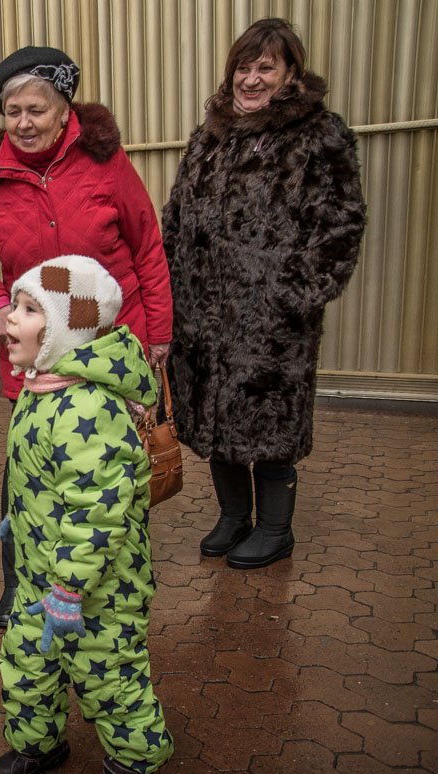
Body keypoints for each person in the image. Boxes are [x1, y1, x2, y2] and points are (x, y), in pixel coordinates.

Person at [0, 46, 173, 628]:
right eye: (11, 110)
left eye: (35, 109)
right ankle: (20, 583)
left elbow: (147, 247)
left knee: (112, 470)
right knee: (28, 470)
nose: (23, 123)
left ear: (63, 110)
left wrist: (158, 335)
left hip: (108, 349)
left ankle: (114, 586)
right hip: (34, 355)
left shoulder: (106, 163)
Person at [162, 18, 365, 569]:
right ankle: (233, 517)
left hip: (272, 320)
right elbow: (176, 215)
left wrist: (295, 294)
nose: (251, 80)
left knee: (268, 422)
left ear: (290, 74)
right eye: (243, 69)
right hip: (202, 313)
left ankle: (276, 529)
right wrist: (173, 279)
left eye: (264, 68)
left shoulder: (319, 135)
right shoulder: (209, 134)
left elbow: (341, 226)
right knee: (213, 416)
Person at [0, 255, 173, 774]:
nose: (9, 320)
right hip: (39, 570)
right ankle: (41, 740)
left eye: (27, 310)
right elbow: (45, 474)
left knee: (108, 674)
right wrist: (18, 515)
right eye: (15, 306)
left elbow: (99, 506)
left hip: (97, 587)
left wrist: (70, 587)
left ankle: (135, 773)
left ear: (67, 330)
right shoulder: (42, 386)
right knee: (26, 658)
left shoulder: (88, 405)